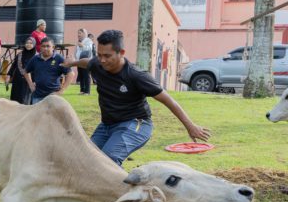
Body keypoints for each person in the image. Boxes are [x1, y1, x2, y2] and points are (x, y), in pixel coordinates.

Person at [63, 29, 211, 166]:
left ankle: (123, 193)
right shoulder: (98, 64)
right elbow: (86, 62)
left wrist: (190, 126)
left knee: (109, 159)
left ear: (121, 52)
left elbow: (168, 100)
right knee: (85, 159)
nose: (102, 60)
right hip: (107, 126)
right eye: (100, 55)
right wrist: (72, 62)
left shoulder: (136, 75)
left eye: (107, 56)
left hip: (136, 124)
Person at [24, 37, 74, 104]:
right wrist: (30, 84)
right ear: (40, 47)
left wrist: (61, 91)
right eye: (43, 46)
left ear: (53, 47)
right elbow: (25, 71)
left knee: (53, 114)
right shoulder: (35, 58)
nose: (45, 48)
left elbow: (71, 74)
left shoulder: (59, 58)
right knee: (38, 114)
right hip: (37, 96)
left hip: (53, 96)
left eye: (48, 46)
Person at [9, 37, 37, 104]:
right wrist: (8, 75)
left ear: (34, 44)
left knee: (26, 99)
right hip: (17, 80)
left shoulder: (37, 56)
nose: (28, 44)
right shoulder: (20, 54)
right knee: (15, 99)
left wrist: (36, 81)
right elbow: (13, 65)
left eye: (31, 43)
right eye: (27, 43)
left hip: (30, 81)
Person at [75, 28, 93, 94]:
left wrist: (83, 46)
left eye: (80, 33)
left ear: (84, 33)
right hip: (79, 61)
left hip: (86, 61)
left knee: (86, 75)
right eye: (78, 33)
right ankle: (82, 90)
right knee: (81, 75)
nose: (78, 35)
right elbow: (77, 51)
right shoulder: (79, 41)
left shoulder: (88, 40)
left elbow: (89, 49)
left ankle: (87, 91)